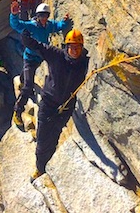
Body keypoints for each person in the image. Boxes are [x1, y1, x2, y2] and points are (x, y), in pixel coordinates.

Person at [21, 28, 89, 182]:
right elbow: (36, 45)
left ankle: (48, 163)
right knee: (43, 139)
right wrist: (25, 33)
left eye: (77, 47)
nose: (74, 51)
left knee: (55, 136)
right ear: (66, 46)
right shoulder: (56, 55)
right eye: (71, 47)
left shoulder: (84, 62)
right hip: (49, 104)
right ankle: (40, 168)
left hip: (66, 107)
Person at [9, 1, 71, 129]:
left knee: (26, 76)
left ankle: (21, 79)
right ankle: (18, 111)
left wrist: (65, 22)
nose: (43, 19)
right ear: (37, 16)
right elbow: (17, 25)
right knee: (28, 86)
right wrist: (14, 15)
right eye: (41, 16)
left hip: (39, 57)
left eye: (45, 16)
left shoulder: (48, 25)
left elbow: (58, 26)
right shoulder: (31, 26)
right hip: (30, 58)